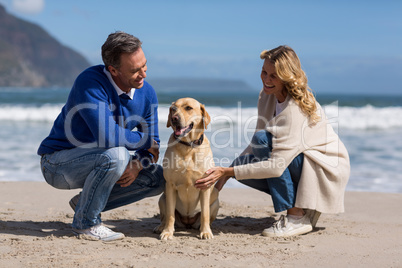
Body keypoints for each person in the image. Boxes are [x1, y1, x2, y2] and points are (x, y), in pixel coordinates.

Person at [195, 45, 350, 237]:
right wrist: (227, 172)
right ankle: (303, 207)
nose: (266, 80)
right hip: (300, 162)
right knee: (243, 164)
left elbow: (276, 166)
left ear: (287, 77)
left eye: (273, 76)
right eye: (264, 72)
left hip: (324, 169)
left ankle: (296, 217)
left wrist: (227, 171)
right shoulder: (267, 96)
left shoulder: (294, 110)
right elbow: (257, 144)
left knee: (258, 150)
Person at [37, 31, 165, 241]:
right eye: (135, 70)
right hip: (58, 163)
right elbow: (108, 136)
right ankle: (86, 224)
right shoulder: (90, 82)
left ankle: (84, 204)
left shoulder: (147, 92)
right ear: (113, 70)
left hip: (103, 160)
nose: (144, 74)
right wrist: (145, 143)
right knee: (117, 155)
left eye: (144, 65)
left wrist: (138, 165)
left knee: (158, 178)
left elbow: (154, 146)